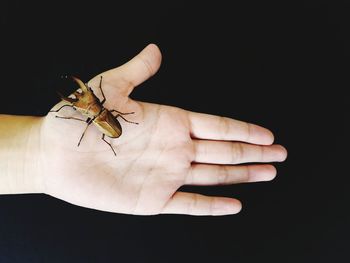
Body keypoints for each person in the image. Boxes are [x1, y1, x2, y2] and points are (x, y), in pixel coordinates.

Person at [0, 44, 287, 216]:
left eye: (85, 100)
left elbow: (92, 106)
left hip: (110, 124)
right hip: (109, 124)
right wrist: (38, 150)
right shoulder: (95, 112)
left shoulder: (97, 112)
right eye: (80, 105)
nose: (82, 101)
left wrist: (36, 148)